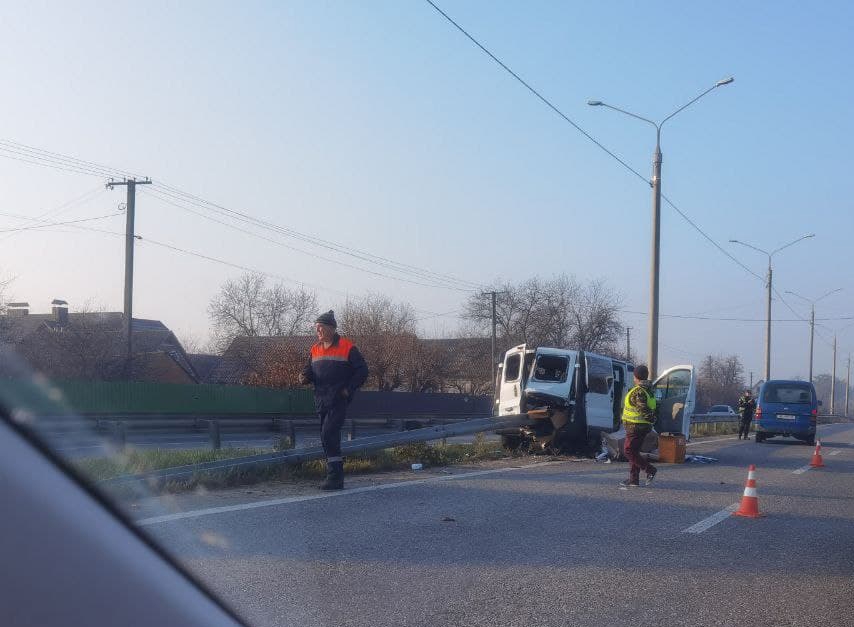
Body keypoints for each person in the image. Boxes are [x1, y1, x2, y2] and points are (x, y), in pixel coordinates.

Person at [298, 310, 368, 490]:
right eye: (316, 328)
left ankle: (335, 477)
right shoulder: (315, 349)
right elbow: (309, 371)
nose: (318, 331)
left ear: (331, 328)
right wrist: (304, 377)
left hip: (338, 399)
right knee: (325, 437)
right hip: (321, 399)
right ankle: (334, 476)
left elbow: (362, 371)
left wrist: (348, 389)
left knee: (328, 434)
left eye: (320, 328)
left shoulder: (347, 347)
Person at [620, 364, 657, 487]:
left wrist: (651, 419)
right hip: (641, 426)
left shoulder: (638, 392)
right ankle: (633, 479)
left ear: (636, 376)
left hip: (635, 426)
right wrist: (652, 421)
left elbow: (643, 409)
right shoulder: (649, 390)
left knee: (628, 450)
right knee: (634, 452)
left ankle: (649, 470)